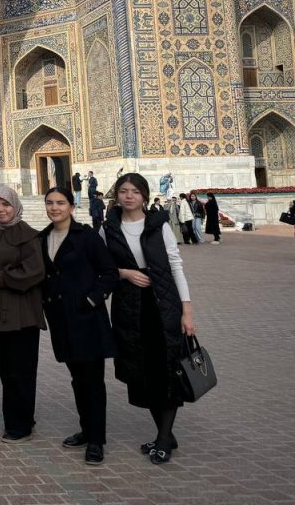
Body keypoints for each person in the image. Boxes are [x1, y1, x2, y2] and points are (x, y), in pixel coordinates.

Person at [102, 173, 196, 465]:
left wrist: (187, 311)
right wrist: (125, 273)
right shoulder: (109, 228)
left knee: (165, 370)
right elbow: (101, 266)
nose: (129, 196)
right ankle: (164, 433)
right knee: (142, 371)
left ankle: (164, 438)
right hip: (129, 308)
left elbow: (176, 266)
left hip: (161, 306)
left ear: (144, 195)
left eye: (135, 192)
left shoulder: (159, 225)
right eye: (124, 191)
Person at [38, 187, 118, 466]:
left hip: (87, 319)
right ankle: (86, 430)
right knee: (77, 378)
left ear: (71, 206)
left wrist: (93, 299)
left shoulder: (87, 237)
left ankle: (97, 439)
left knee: (93, 381)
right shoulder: (42, 238)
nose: (54, 208)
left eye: (60, 203)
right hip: (61, 320)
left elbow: (109, 273)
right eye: (50, 203)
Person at [0, 186, 46, 443]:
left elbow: (35, 271)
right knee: (7, 370)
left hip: (23, 313)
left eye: (5, 205)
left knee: (22, 370)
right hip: (1, 314)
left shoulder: (28, 236)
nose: (1, 210)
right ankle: (20, 417)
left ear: (15, 205)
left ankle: (20, 426)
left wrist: (1, 277)